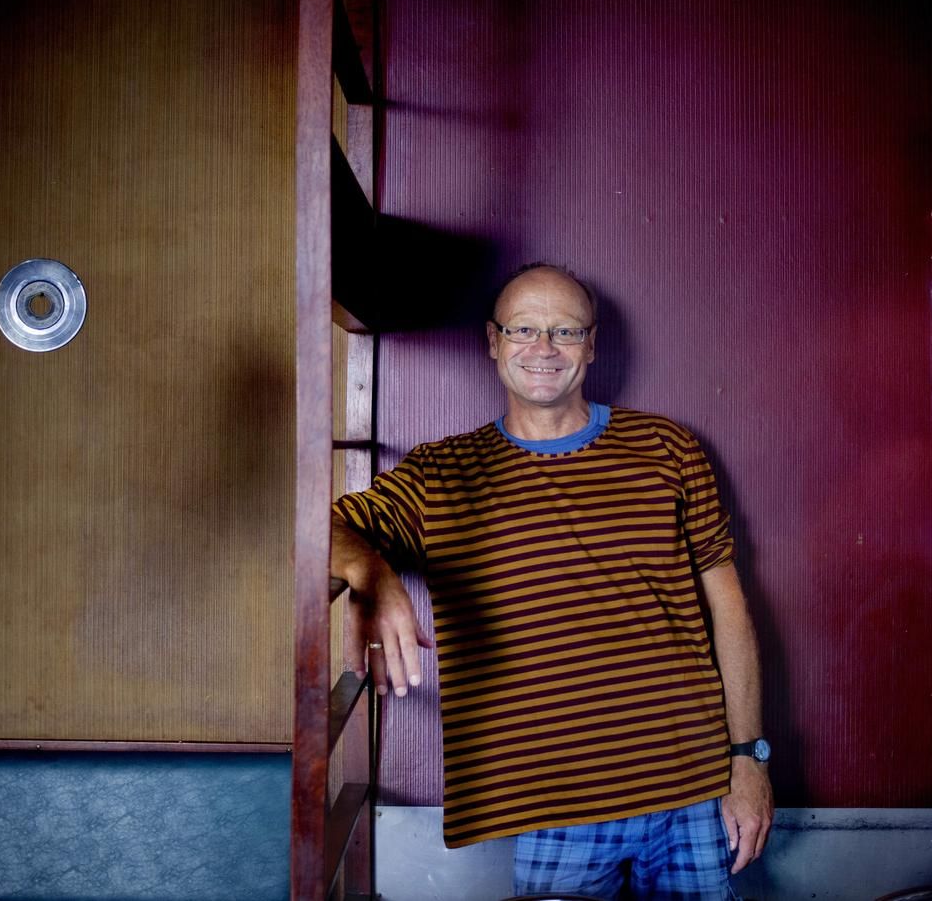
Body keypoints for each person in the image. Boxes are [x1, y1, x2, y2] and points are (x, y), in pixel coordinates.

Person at [331, 264, 773, 900]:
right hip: (554, 802)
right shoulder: (440, 472)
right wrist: (370, 570)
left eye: (565, 331)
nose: (544, 347)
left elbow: (730, 609)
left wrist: (749, 760)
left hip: (693, 788)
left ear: (590, 345)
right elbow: (316, 530)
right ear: (493, 341)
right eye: (523, 329)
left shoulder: (668, 448)